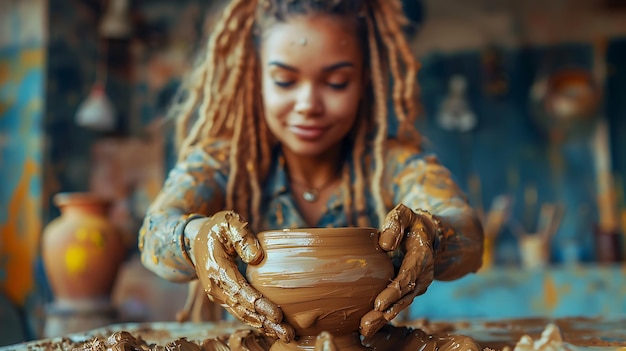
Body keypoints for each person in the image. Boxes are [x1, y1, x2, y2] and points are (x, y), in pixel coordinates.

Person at [138, 0, 483, 346]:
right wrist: (198, 237)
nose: (308, 104)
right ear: (255, 78)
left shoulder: (393, 164)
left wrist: (433, 235)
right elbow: (154, 234)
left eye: (336, 82)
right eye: (284, 81)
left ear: (364, 81)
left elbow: (469, 234)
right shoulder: (225, 162)